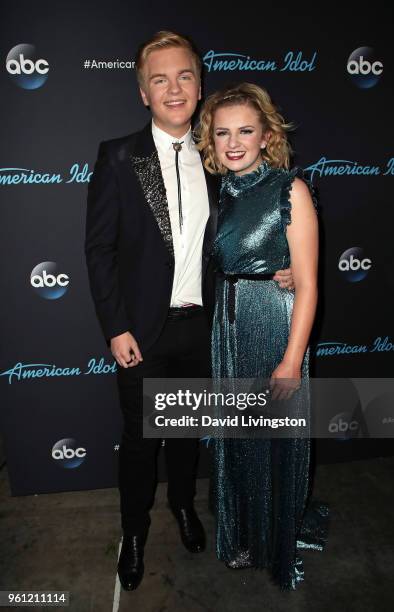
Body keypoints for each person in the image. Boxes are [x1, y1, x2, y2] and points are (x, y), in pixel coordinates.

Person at [85, 32, 293, 592]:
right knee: (139, 441)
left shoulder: (219, 158)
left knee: (186, 433)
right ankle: (133, 533)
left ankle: (182, 506)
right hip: (142, 333)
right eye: (160, 79)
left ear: (199, 86)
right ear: (143, 93)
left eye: (183, 77)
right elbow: (99, 250)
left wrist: (285, 267)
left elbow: (254, 229)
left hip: (206, 327)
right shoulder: (118, 156)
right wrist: (115, 326)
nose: (173, 88)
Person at [196, 82, 329, 590]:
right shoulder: (222, 190)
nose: (233, 142)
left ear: (266, 134)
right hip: (226, 324)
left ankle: (274, 539)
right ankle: (242, 534)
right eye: (223, 132)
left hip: (273, 323)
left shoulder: (289, 188)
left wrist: (292, 360)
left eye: (245, 131)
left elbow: (310, 282)